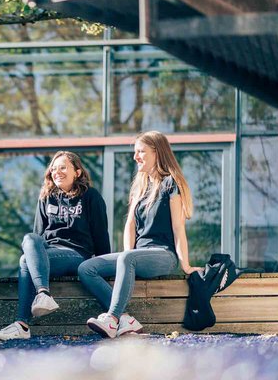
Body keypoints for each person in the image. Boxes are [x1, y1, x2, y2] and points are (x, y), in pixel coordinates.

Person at [78, 131, 202, 338]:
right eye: (135, 152)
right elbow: (130, 224)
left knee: (127, 257)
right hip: (139, 255)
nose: (135, 157)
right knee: (86, 268)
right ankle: (125, 319)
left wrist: (186, 265)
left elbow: (179, 228)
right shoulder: (141, 186)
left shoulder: (171, 183)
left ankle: (111, 319)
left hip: (164, 255)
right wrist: (127, 259)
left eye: (141, 151)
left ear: (157, 152)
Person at [0, 151, 111, 340]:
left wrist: (105, 267)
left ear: (77, 172)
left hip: (77, 254)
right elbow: (37, 235)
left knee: (24, 261)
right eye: (54, 169)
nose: (57, 172)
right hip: (50, 254)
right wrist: (36, 257)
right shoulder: (46, 196)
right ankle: (41, 296)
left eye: (63, 167)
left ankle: (23, 323)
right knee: (29, 244)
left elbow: (101, 233)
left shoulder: (91, 196)